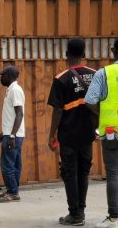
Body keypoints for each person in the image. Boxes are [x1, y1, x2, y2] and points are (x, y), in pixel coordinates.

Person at [47, 38, 96, 226]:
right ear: (84, 54)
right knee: (83, 173)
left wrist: (51, 134)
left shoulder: (61, 78)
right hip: (88, 134)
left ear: (66, 54)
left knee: (70, 174)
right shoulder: (95, 75)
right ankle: (80, 211)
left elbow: (58, 110)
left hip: (68, 135)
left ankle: (75, 214)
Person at [85, 39, 118, 228]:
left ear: (113, 51)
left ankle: (114, 218)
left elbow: (89, 101)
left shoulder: (103, 73)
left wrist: (101, 114)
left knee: (113, 174)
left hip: (111, 132)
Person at [0, 66, 25, 203]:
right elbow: (12, 115)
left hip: (14, 136)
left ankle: (13, 192)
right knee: (15, 165)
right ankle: (12, 190)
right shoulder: (11, 90)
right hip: (12, 134)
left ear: (8, 76)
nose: (1, 78)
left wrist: (11, 135)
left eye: (2, 75)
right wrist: (5, 133)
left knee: (7, 165)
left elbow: (19, 113)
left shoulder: (15, 90)